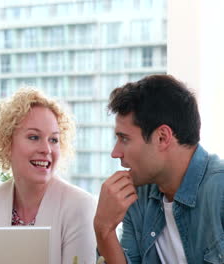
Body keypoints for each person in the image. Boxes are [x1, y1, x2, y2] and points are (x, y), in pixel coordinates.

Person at [94, 75, 224, 263]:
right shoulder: (137, 195)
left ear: (162, 137)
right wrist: (103, 229)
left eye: (124, 138)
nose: (115, 153)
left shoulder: (219, 192)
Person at [0, 88, 97, 264]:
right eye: (34, 137)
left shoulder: (80, 205)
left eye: (54, 139)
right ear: (7, 143)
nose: (46, 149)